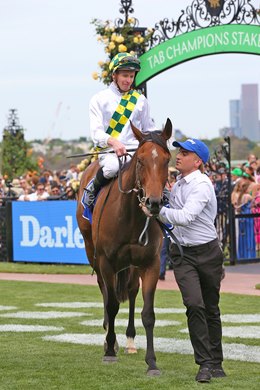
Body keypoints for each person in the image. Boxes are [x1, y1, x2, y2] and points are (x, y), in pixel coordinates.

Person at [150, 138, 225, 383]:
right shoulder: (180, 183)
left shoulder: (202, 184)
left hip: (207, 253)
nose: (178, 156)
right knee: (194, 305)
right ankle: (204, 364)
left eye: (184, 153)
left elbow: (186, 217)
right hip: (183, 254)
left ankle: (216, 362)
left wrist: (157, 211)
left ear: (198, 161)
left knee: (211, 308)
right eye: (179, 152)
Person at [84, 52, 156, 207]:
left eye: (131, 76)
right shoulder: (99, 99)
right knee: (111, 168)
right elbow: (96, 132)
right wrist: (114, 143)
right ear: (114, 75)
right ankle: (92, 190)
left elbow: (148, 129)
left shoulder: (140, 100)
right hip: (110, 152)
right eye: (125, 75)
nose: (128, 80)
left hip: (136, 153)